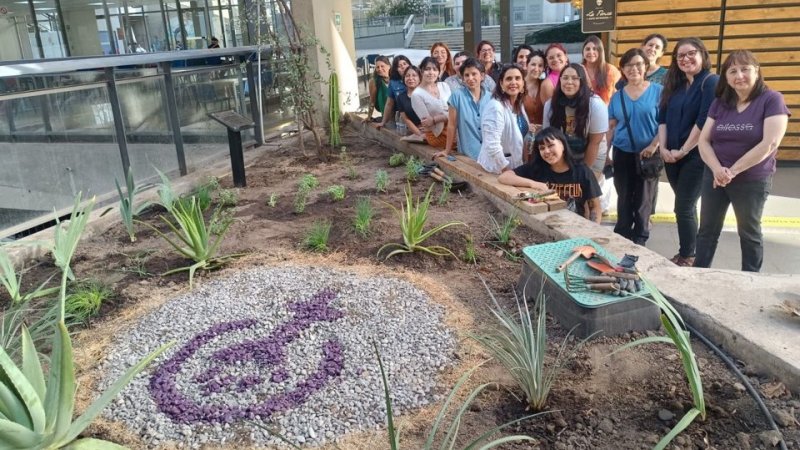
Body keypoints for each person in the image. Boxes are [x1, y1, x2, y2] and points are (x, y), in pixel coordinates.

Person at [695, 50, 790, 272]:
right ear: (726, 77)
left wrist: (732, 172)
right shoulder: (720, 103)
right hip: (715, 177)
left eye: (745, 69)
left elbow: (770, 143)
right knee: (707, 230)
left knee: (749, 232)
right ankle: (698, 273)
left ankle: (750, 279)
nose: (739, 75)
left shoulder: (771, 99)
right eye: (732, 71)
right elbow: (704, 140)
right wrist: (718, 170)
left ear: (756, 71)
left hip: (750, 179)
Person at [658, 37, 719, 267]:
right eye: (680, 55)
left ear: (702, 54)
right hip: (671, 155)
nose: (686, 59)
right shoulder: (674, 84)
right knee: (685, 206)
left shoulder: (711, 82)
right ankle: (689, 252)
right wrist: (663, 148)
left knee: (683, 206)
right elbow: (661, 118)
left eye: (691, 53)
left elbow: (704, 121)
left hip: (696, 156)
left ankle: (688, 255)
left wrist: (683, 150)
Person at [608, 48, 663, 245]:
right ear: (622, 69)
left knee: (644, 198)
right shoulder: (617, 97)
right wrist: (606, 153)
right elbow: (612, 126)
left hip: (648, 153)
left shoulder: (658, 92)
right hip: (622, 152)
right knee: (623, 195)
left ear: (646, 67)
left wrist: (654, 144)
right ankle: (622, 233)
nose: (634, 69)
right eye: (629, 65)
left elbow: (665, 124)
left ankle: (640, 237)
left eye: (638, 64)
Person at [498, 127, 602, 223]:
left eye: (551, 145)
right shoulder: (536, 169)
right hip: (544, 225)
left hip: (575, 225)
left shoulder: (582, 171)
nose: (546, 151)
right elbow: (504, 177)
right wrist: (533, 184)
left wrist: (592, 230)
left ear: (563, 145)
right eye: (542, 148)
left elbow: (595, 207)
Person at [543, 63, 609, 178]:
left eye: (574, 78)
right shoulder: (550, 104)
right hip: (563, 155)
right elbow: (548, 138)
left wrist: (583, 174)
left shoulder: (595, 104)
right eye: (565, 78)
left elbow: (595, 143)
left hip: (592, 154)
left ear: (582, 81)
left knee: (584, 189)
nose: (569, 82)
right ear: (560, 81)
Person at [478, 64, 528, 173]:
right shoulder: (495, 107)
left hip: (516, 166)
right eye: (509, 79)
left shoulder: (519, 105)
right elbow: (492, 145)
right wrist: (507, 172)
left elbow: (520, 137)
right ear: (501, 84)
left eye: (518, 78)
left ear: (523, 84)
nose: (513, 82)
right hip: (497, 171)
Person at [439, 58, 491, 160]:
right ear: (462, 78)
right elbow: (452, 125)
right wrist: (447, 150)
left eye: (474, 74)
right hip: (468, 154)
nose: (470, 78)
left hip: (489, 152)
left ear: (482, 76)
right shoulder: (456, 96)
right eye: (466, 75)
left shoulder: (491, 97)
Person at [411, 56, 452, 149]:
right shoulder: (417, 95)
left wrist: (435, 119)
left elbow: (455, 110)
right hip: (438, 134)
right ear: (421, 71)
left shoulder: (444, 86)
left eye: (435, 69)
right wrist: (449, 116)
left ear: (439, 72)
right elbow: (428, 124)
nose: (431, 73)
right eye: (427, 69)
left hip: (454, 127)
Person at [581, 35, 621, 105]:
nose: (591, 52)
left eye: (595, 49)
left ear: (600, 51)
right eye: (587, 49)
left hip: (607, 112)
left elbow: (618, 94)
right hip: (584, 112)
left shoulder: (611, 70)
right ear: (583, 52)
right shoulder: (578, 70)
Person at [376, 55, 411, 129]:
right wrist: (383, 121)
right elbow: (389, 104)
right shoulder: (393, 83)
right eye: (399, 66)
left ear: (409, 65)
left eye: (405, 64)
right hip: (402, 119)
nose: (403, 67)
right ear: (396, 69)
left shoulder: (419, 78)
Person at [395, 65, 425, 138]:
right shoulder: (401, 97)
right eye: (407, 76)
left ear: (420, 78)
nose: (410, 78)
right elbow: (406, 119)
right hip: (415, 131)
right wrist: (420, 134)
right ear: (404, 79)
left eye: (414, 75)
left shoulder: (425, 94)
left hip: (431, 129)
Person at [523, 49, 546, 131]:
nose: (536, 69)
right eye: (533, 64)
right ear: (526, 65)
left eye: (540, 66)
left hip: (542, 136)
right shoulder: (518, 85)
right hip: (522, 135)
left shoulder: (545, 85)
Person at [365, 55, 391, 123]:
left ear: (389, 66)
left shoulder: (396, 78)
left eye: (382, 66)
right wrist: (369, 116)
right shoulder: (374, 81)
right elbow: (372, 101)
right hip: (386, 116)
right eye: (377, 67)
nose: (380, 69)